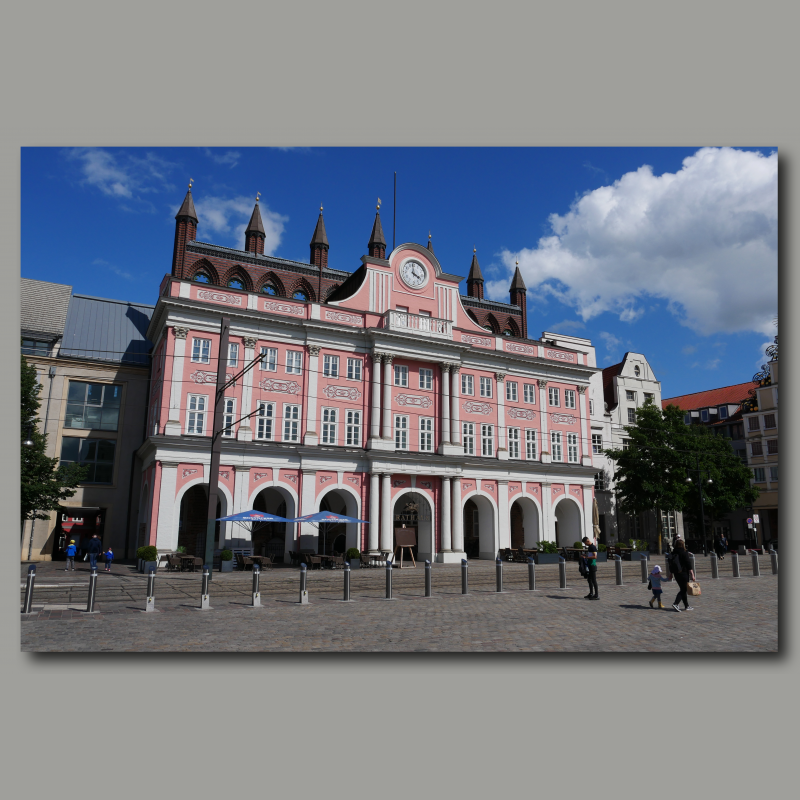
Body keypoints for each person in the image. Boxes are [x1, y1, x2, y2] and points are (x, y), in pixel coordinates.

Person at [669, 539, 695, 612]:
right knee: (684, 590)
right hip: (683, 573)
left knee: (683, 589)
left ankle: (686, 606)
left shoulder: (673, 553)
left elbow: (671, 564)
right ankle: (676, 603)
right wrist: (692, 574)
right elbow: (688, 564)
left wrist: (671, 573)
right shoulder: (684, 553)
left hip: (676, 573)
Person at [582, 536, 599, 600]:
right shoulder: (589, 547)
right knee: (589, 580)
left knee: (594, 580)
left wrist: (586, 557)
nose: (585, 544)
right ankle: (591, 593)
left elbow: (595, 557)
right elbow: (590, 555)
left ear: (587, 541)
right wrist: (585, 555)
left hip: (592, 565)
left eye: (585, 543)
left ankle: (596, 595)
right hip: (589, 565)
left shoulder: (593, 547)